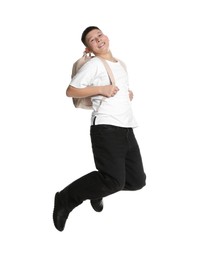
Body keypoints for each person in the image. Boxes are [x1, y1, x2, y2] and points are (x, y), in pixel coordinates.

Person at [53, 26, 146, 231]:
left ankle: (95, 191)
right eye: (92, 39)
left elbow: (116, 89)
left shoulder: (120, 63)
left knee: (137, 180)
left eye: (99, 35)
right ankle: (65, 199)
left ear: (106, 36)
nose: (98, 39)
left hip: (127, 127)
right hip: (106, 127)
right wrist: (101, 89)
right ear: (89, 47)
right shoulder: (94, 64)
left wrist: (126, 95)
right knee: (113, 180)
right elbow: (71, 91)